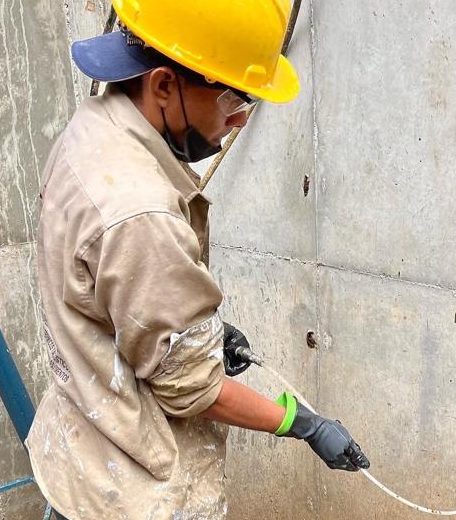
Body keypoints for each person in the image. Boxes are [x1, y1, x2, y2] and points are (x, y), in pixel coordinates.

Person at [25, 1, 369, 519]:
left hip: (80, 458)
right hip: (129, 493)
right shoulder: (139, 213)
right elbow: (195, 390)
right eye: (233, 97)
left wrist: (194, 330)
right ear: (163, 84)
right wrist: (303, 424)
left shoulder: (93, 129)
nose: (238, 119)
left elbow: (111, 292)